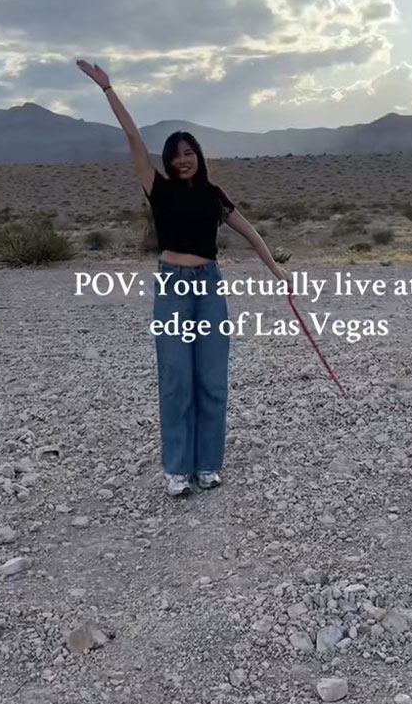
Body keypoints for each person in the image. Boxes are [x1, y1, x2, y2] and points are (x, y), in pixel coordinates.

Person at [77, 60, 290, 497]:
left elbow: (249, 231)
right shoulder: (157, 188)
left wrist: (277, 270)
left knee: (211, 380)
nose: (181, 161)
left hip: (210, 289)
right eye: (175, 156)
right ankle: (177, 470)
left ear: (198, 155)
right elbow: (134, 139)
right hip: (173, 288)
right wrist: (108, 89)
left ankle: (208, 465)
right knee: (176, 379)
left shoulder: (213, 197)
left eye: (188, 153)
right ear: (169, 163)